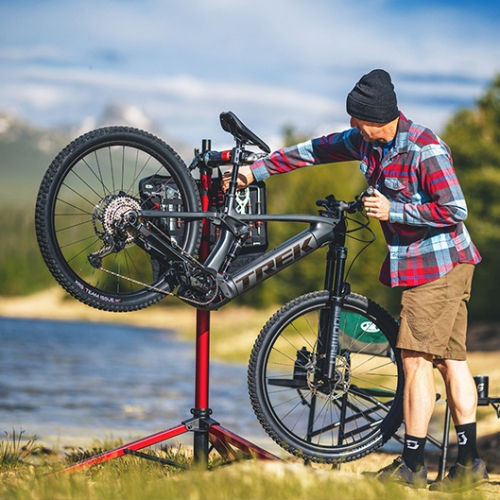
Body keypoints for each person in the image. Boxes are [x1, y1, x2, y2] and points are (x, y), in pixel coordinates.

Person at [222, 69, 488, 492]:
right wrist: (257, 172)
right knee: (449, 360)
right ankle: (469, 462)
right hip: (431, 265)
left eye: (358, 119)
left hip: (441, 265)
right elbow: (311, 151)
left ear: (381, 117)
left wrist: (394, 211)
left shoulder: (425, 149)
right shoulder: (364, 141)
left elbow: (455, 210)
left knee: (415, 359)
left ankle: (414, 465)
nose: (351, 126)